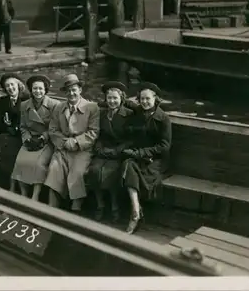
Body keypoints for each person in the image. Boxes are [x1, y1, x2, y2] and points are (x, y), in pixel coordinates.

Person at [43, 74, 100, 213]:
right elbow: (53, 129)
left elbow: (93, 132)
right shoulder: (59, 107)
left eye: (74, 89)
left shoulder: (92, 107)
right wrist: (64, 142)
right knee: (54, 169)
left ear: (80, 90)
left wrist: (75, 142)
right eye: (68, 91)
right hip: (63, 148)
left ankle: (76, 208)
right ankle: (52, 208)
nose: (71, 93)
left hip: (82, 149)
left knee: (77, 173)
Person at [120, 82, 172, 234]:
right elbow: (125, 101)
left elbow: (164, 146)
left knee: (131, 166)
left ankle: (135, 214)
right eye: (142, 99)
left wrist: (143, 153)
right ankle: (136, 211)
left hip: (157, 159)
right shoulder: (139, 112)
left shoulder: (163, 119)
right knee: (127, 164)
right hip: (139, 156)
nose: (144, 102)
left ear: (155, 99)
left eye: (148, 99)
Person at [85, 81, 134, 223]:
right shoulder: (102, 114)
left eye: (115, 98)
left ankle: (114, 206)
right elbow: (98, 134)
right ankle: (100, 204)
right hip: (103, 150)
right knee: (94, 170)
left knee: (110, 171)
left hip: (119, 152)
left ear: (121, 99)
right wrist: (99, 148)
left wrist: (117, 151)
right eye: (109, 98)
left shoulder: (129, 115)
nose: (112, 101)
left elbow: (130, 139)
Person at [11, 75, 60, 200]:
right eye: (35, 89)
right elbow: (22, 126)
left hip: (47, 141)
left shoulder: (55, 105)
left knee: (38, 164)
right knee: (20, 162)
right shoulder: (24, 105)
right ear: (31, 90)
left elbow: (55, 128)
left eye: (40, 89)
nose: (37, 91)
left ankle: (35, 196)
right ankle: (23, 194)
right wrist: (27, 138)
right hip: (30, 139)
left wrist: (43, 137)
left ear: (45, 90)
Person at [0, 74, 30, 189]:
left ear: (18, 86)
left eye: (12, 85)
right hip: (6, 133)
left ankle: (10, 186)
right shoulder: (3, 100)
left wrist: (14, 127)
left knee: (8, 148)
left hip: (21, 135)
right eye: (7, 86)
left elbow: (27, 121)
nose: (10, 88)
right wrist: (6, 125)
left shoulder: (26, 100)